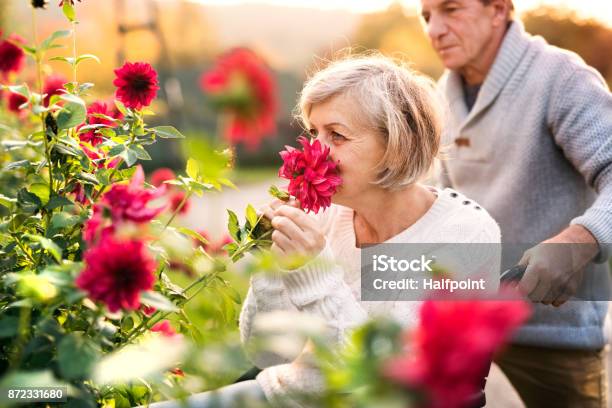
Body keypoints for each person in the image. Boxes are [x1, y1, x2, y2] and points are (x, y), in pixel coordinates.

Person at [142, 55, 501, 407]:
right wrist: (271, 265)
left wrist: (312, 270)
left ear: (395, 146)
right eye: (313, 132)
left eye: (337, 136)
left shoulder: (464, 235)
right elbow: (266, 353)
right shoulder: (327, 215)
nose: (314, 151)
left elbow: (379, 382)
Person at [419, 0, 612, 406]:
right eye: (426, 16)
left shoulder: (561, 78)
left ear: (499, 10)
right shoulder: (442, 94)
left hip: (555, 331)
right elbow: (449, 205)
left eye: (450, 9)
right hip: (471, 321)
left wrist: (578, 241)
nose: (434, 29)